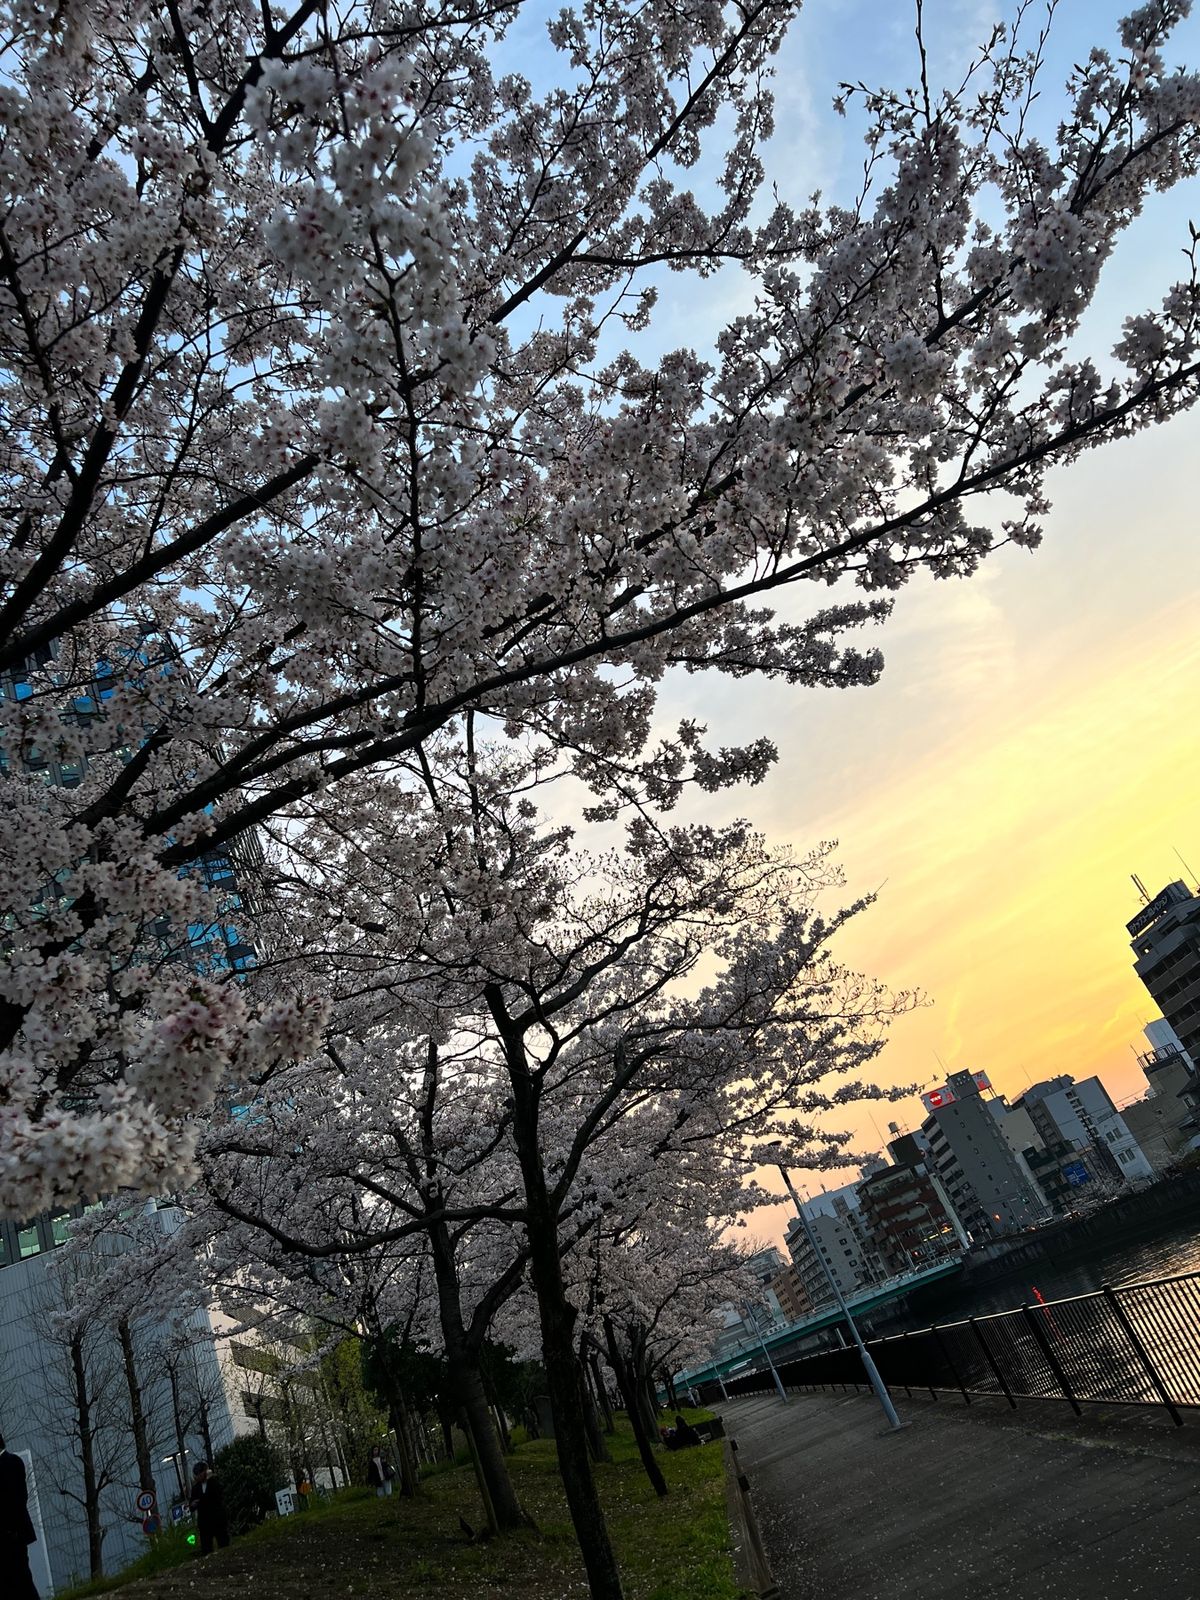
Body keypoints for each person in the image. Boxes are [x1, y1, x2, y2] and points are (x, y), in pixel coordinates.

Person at [0, 1431, 39, 1600]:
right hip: (10, 1535)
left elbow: (18, 1500)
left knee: (21, 1580)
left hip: (13, 1535)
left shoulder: (12, 1462)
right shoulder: (13, 1462)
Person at [189, 1462, 230, 1556]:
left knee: (223, 1542)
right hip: (204, 1521)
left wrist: (210, 1478)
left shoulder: (214, 1482)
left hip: (217, 1518)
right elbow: (191, 1505)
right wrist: (193, 1504)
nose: (199, 1476)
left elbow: (219, 1495)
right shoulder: (196, 1488)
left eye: (200, 1473)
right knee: (206, 1547)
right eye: (197, 1474)